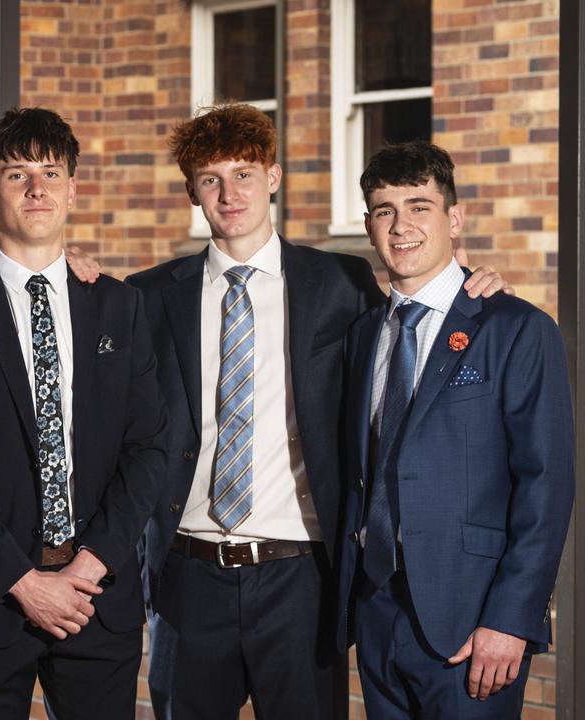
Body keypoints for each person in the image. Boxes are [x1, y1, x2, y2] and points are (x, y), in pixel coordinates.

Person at [126, 103, 507, 718]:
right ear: (192, 192)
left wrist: (476, 285)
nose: (230, 192)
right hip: (187, 575)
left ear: (273, 178)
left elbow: (420, 310)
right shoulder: (145, 296)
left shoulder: (343, 283)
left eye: (245, 173)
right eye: (211, 178)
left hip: (301, 576)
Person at [0, 107, 168, 719]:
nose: (36, 188)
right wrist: (24, 584)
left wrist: (89, 566)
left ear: (73, 189)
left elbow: (147, 448)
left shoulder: (119, 307)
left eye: (50, 173)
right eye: (16, 173)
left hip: (95, 597)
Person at [335, 141, 573, 717]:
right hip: (377, 613)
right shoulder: (363, 335)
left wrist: (510, 619)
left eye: (419, 206)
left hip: (472, 623)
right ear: (368, 226)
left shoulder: (515, 328)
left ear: (455, 218)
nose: (401, 226)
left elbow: (546, 485)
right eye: (384, 210)